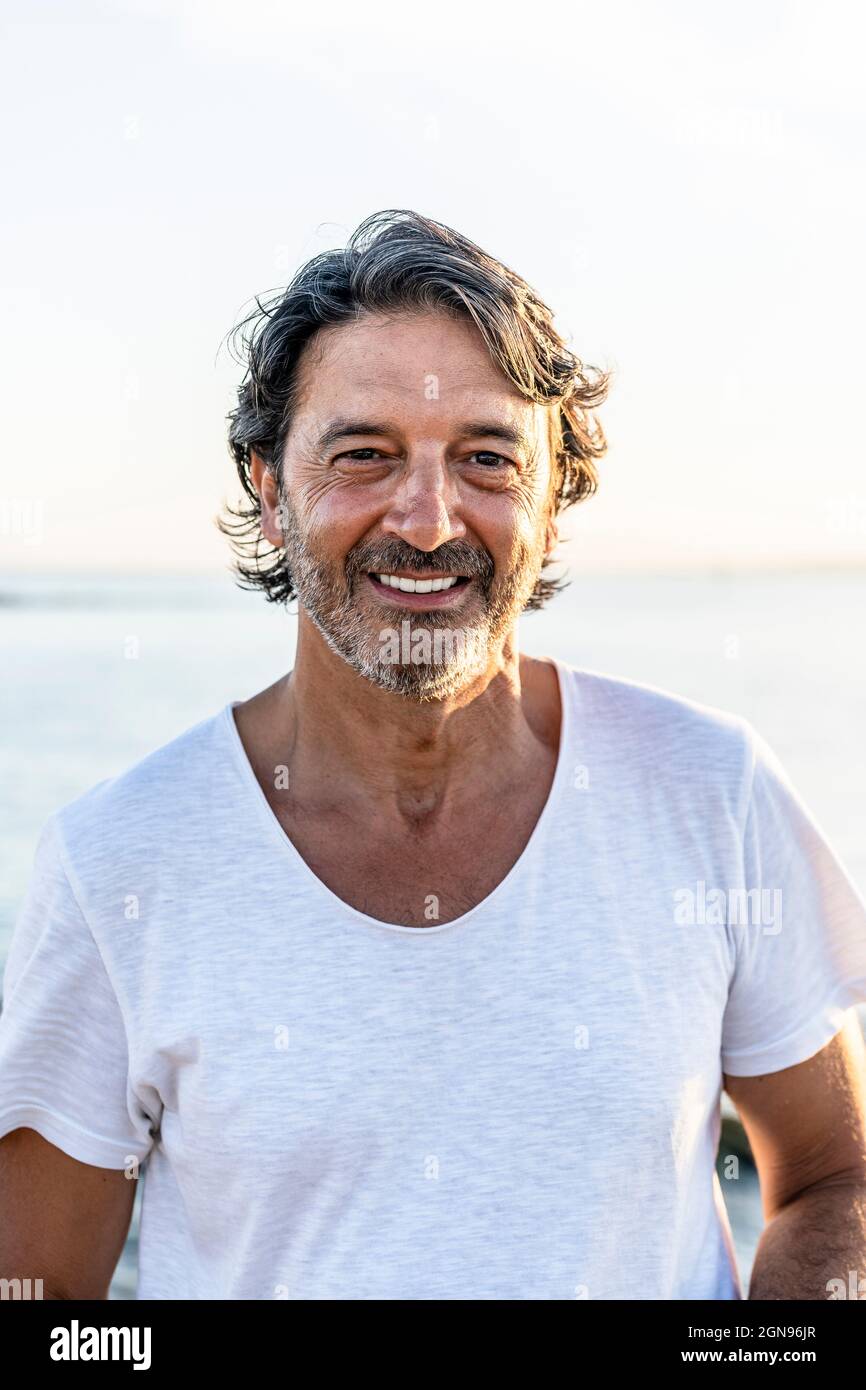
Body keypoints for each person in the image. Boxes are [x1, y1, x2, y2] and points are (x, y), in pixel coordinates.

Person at [1, 209, 865, 1301]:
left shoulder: (709, 792)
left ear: (551, 503)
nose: (424, 518)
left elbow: (835, 1178)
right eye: (362, 454)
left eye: (486, 457)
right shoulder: (118, 863)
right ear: (268, 490)